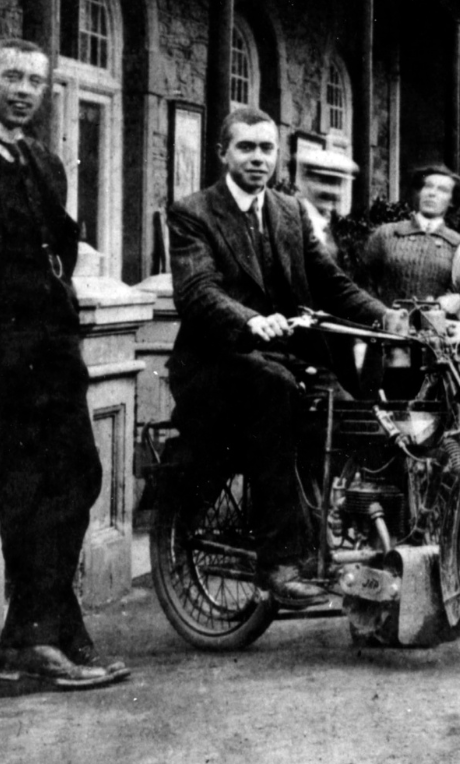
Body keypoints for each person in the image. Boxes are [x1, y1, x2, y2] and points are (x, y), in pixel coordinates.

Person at [0, 38, 129, 688]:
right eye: (13, 77)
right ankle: (45, 637)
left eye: (36, 81)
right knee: (25, 491)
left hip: (52, 350)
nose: (24, 91)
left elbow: (61, 245)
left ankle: (35, 633)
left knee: (80, 474)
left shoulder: (43, 161)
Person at [167, 106, 394, 607]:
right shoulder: (192, 213)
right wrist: (250, 320)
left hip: (283, 359)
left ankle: (338, 540)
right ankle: (278, 561)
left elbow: (331, 283)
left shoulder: (288, 211)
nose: (258, 158)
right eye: (246, 147)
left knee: (353, 412)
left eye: (267, 148)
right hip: (217, 363)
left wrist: (388, 318)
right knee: (275, 391)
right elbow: (198, 290)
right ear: (222, 153)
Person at [362, 164, 460, 305]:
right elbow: (363, 281)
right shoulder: (387, 233)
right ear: (419, 192)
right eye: (428, 186)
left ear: (452, 201)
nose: (432, 193)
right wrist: (379, 311)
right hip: (386, 316)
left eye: (442, 190)